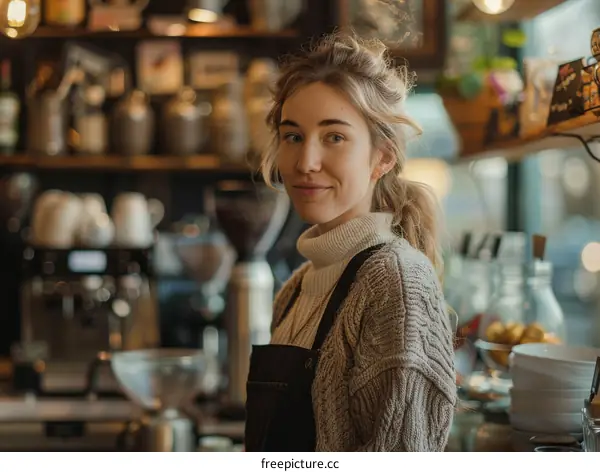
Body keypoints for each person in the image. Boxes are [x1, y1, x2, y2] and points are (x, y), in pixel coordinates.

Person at [244, 32, 456, 452]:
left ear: (382, 157)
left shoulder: (395, 282)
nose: (306, 162)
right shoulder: (296, 288)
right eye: (293, 136)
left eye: (334, 137)